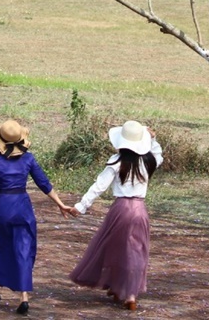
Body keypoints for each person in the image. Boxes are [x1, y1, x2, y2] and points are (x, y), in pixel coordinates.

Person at [0, 119, 73, 316]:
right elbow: (44, 183)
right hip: (22, 208)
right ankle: (24, 298)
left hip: (0, 209)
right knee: (22, 250)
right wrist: (61, 204)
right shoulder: (28, 159)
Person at [69, 120, 163, 311]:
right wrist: (153, 139)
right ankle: (128, 292)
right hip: (140, 210)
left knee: (115, 248)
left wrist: (81, 206)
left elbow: (99, 186)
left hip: (120, 209)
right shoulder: (149, 161)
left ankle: (122, 289)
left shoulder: (116, 161)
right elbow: (158, 154)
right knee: (135, 251)